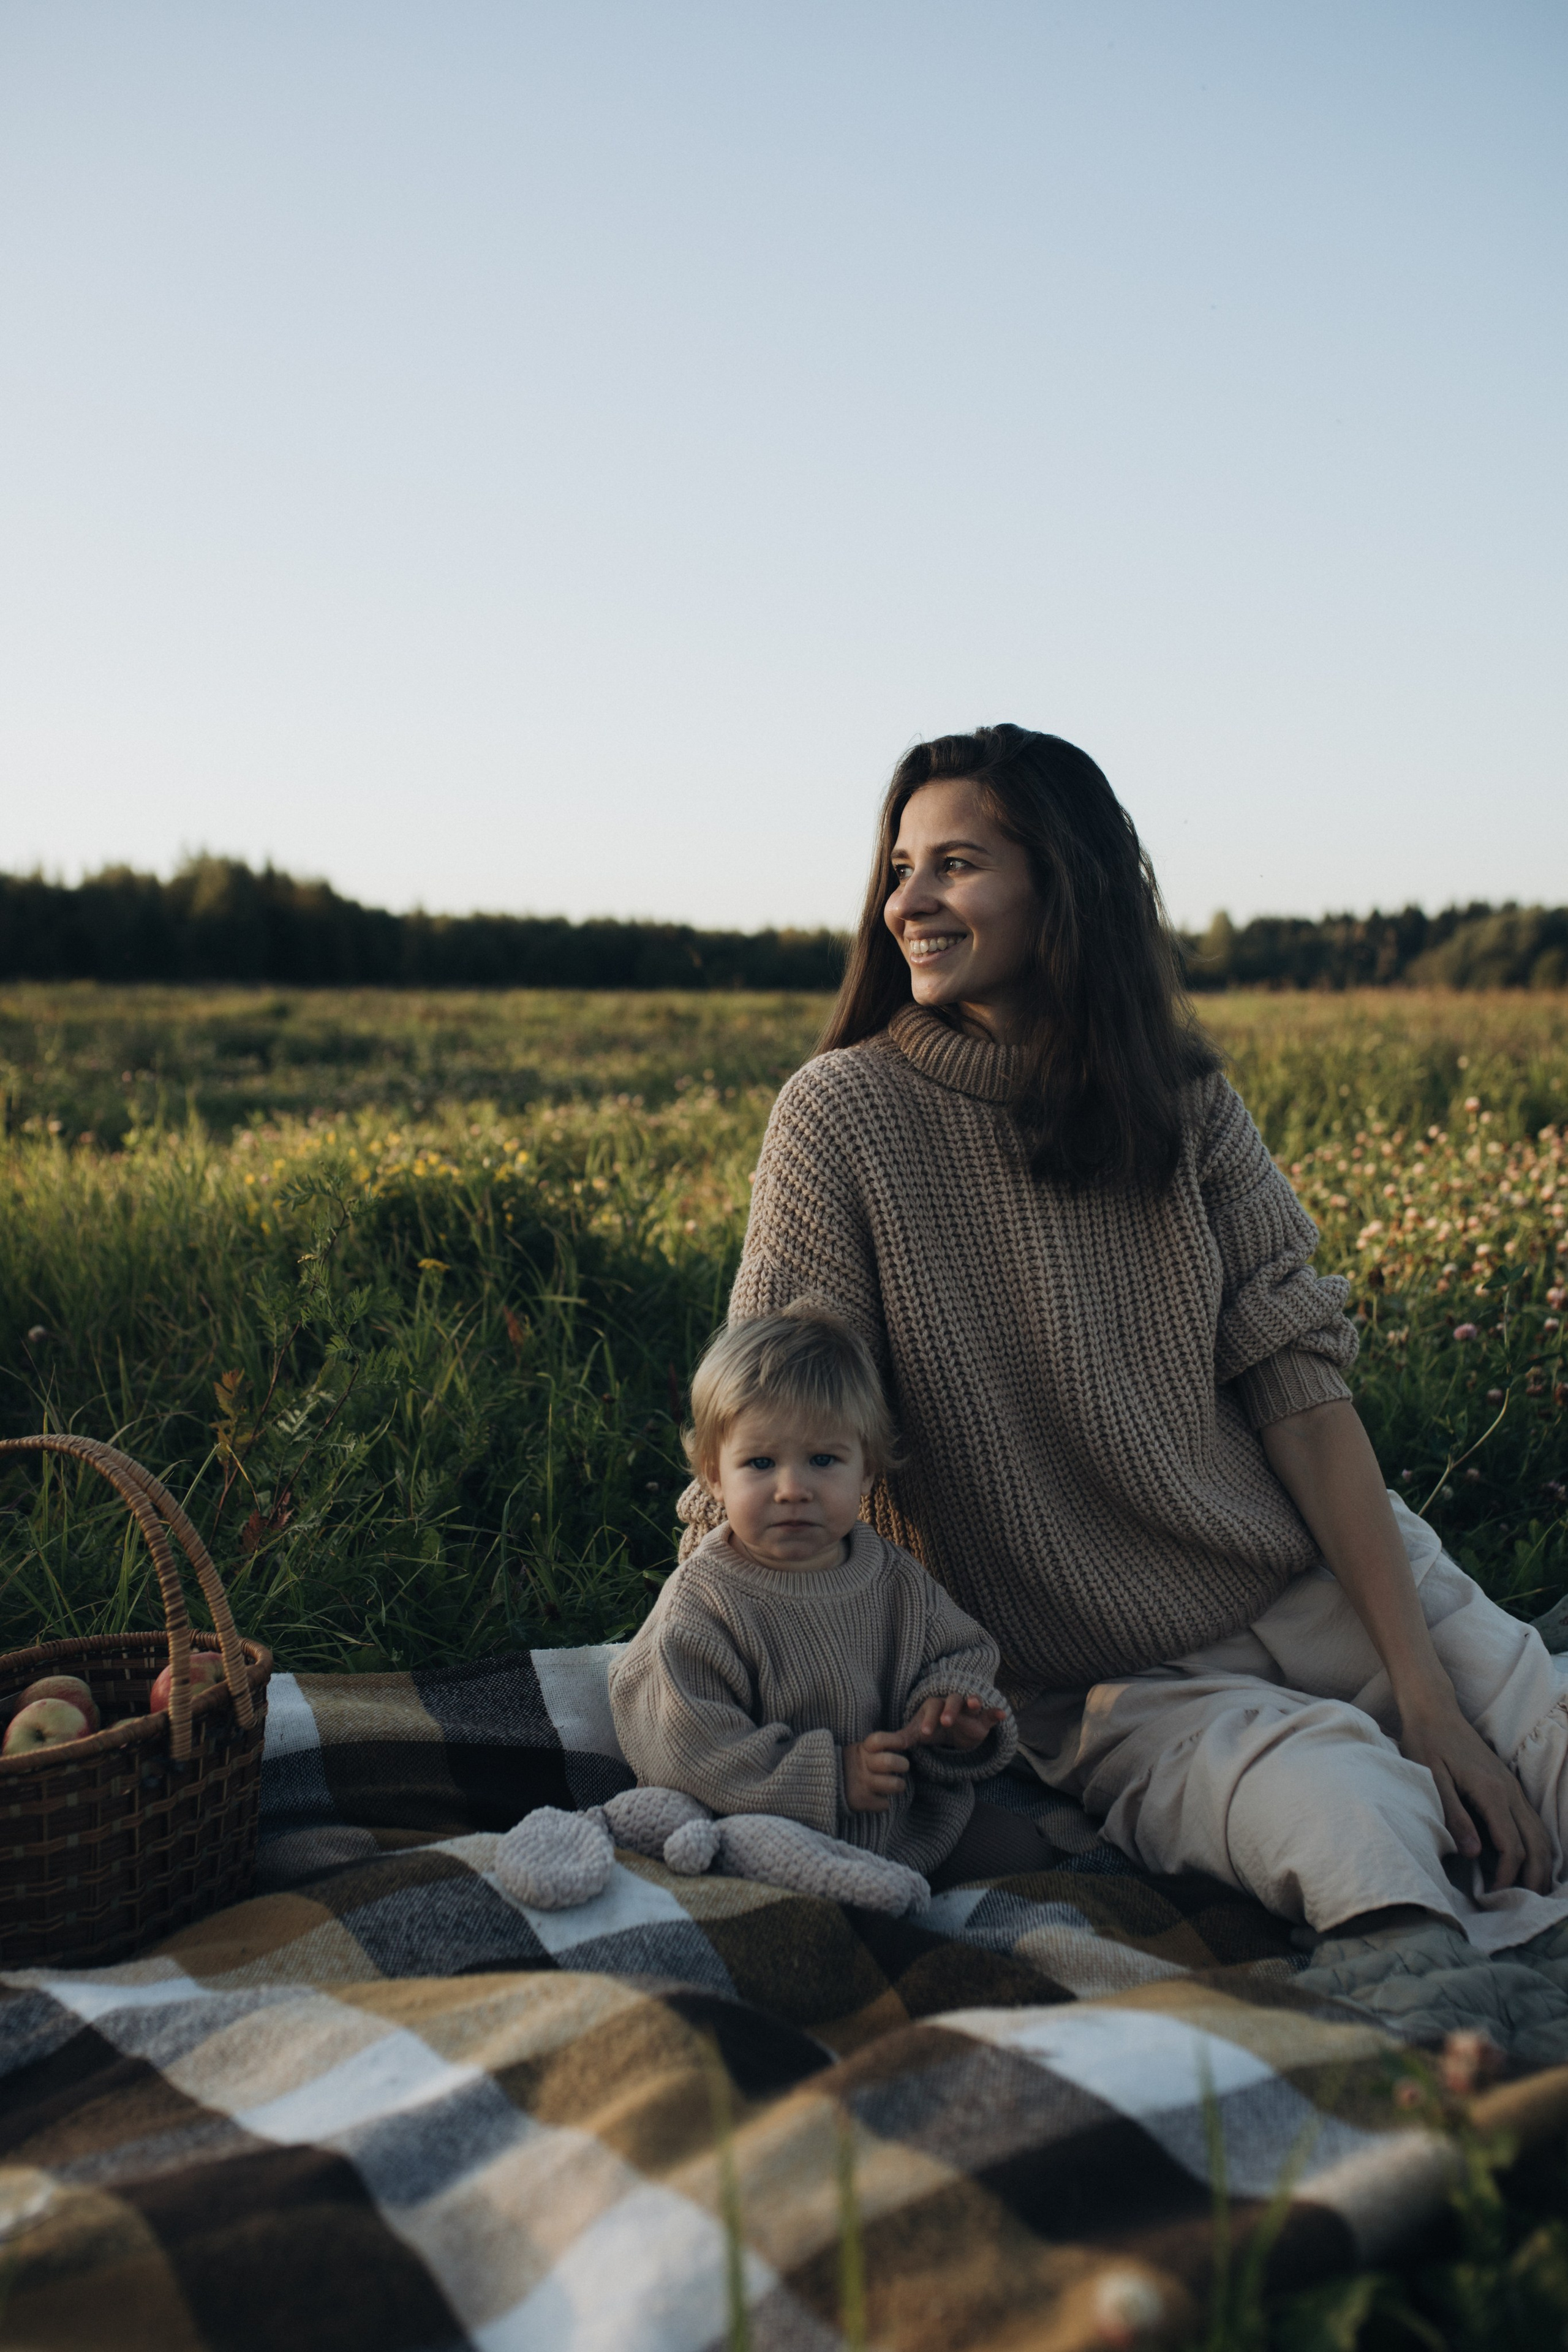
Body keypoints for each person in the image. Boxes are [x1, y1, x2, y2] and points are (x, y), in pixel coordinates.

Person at [676, 724, 1568, 1950]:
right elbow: (769, 1426)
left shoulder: (1181, 1097)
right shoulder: (840, 1118)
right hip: (1107, 1685)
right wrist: (721, 1667)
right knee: (1361, 1841)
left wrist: (1425, 1695)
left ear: (1063, 884)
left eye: (955, 864)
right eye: (899, 868)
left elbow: (1302, 1404)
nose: (908, 903)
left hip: (1320, 1577)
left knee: (1544, 1755)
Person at [609, 1307, 1047, 1884]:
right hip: (759, 1828)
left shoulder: (893, 1578)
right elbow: (686, 1746)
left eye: (823, 1460)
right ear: (715, 1476)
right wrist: (831, 1777)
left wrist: (951, 1715)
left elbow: (961, 1654)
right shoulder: (704, 1602)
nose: (793, 1490)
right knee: (811, 1909)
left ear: (866, 1469)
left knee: (1030, 1854)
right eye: (760, 1463)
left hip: (902, 1821)